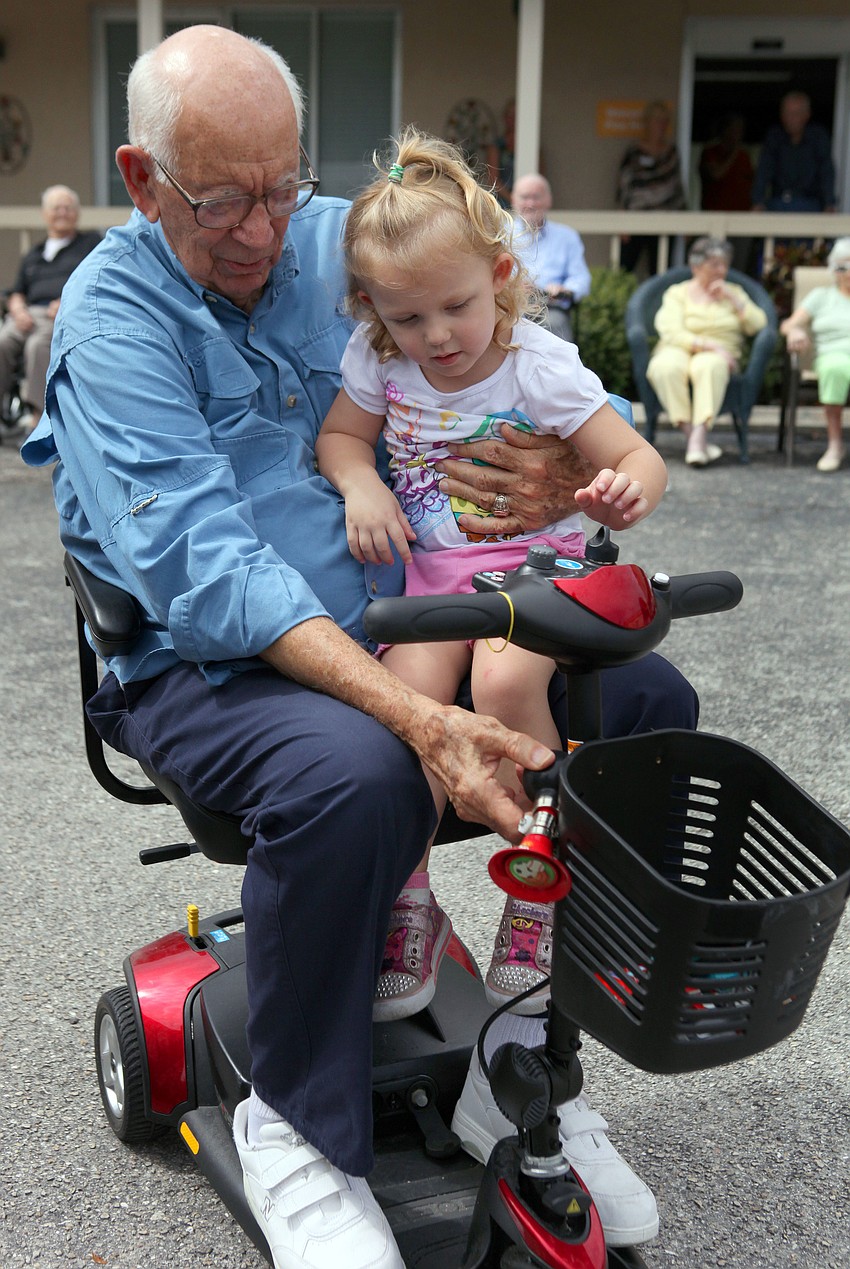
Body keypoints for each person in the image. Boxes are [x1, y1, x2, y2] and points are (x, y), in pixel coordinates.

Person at [22, 27, 696, 1266]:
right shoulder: (108, 326)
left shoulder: (351, 235)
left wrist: (557, 478)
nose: (271, 229)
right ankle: (295, 1126)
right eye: (224, 201)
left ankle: (526, 1050)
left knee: (647, 702)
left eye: (286, 185)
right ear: (141, 177)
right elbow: (204, 574)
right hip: (209, 663)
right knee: (356, 771)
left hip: (436, 612)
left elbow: (541, 372)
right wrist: (414, 715)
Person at [316, 125, 665, 1011]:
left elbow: (639, 456)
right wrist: (362, 486)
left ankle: (535, 891)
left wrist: (622, 491)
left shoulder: (536, 369)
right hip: (438, 581)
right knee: (406, 705)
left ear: (501, 278)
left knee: (507, 689)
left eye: (456, 306)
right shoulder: (379, 360)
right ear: (371, 310)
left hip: (537, 575)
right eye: (407, 316)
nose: (436, 336)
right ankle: (411, 901)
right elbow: (342, 438)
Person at [646, 237, 767, 465]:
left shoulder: (735, 292)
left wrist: (733, 300)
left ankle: (698, 436)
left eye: (724, 264)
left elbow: (759, 325)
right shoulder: (677, 293)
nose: (721, 270)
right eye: (714, 265)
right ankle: (693, 437)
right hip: (680, 347)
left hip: (721, 354)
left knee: (708, 366)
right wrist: (709, 344)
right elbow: (670, 331)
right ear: (696, 267)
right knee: (664, 367)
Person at [0, 185, 99, 434]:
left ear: (77, 214)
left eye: (68, 208)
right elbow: (16, 291)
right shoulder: (34, 252)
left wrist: (67, 301)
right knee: (2, 343)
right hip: (27, 313)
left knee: (38, 346)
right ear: (45, 214)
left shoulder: (89, 243)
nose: (63, 213)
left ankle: (39, 418)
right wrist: (18, 309)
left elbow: (97, 277)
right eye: (57, 208)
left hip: (62, 314)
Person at [780, 236, 850, 472]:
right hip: (832, 354)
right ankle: (835, 444)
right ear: (833, 269)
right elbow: (789, 324)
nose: (847, 271)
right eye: (842, 265)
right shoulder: (821, 296)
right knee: (834, 369)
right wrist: (794, 333)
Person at [511, 172, 591, 343]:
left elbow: (581, 279)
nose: (530, 203)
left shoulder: (567, 236)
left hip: (550, 308)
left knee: (555, 325)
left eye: (536, 197)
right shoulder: (500, 234)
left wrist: (564, 289)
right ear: (513, 200)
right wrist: (511, 286)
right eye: (525, 197)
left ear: (548, 200)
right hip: (509, 307)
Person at [617, 100, 686, 276]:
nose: (661, 126)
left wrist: (686, 221)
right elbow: (623, 187)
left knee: (660, 270)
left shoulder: (671, 153)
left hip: (664, 220)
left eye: (665, 122)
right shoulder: (634, 152)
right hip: (636, 219)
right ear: (647, 123)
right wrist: (623, 221)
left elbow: (677, 189)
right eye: (657, 121)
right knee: (625, 268)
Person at [751, 91, 836, 214]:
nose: (790, 119)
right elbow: (763, 170)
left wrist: (829, 203)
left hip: (810, 205)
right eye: (786, 113)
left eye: (795, 114)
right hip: (778, 204)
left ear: (807, 115)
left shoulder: (818, 138)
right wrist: (757, 201)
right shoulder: (774, 137)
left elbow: (826, 171)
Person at [698, 113, 753, 273]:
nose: (738, 134)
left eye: (740, 130)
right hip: (714, 220)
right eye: (735, 129)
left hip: (742, 220)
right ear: (725, 130)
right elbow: (717, 174)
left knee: (739, 268)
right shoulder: (710, 152)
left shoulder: (745, 156)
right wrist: (734, 151)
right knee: (714, 266)